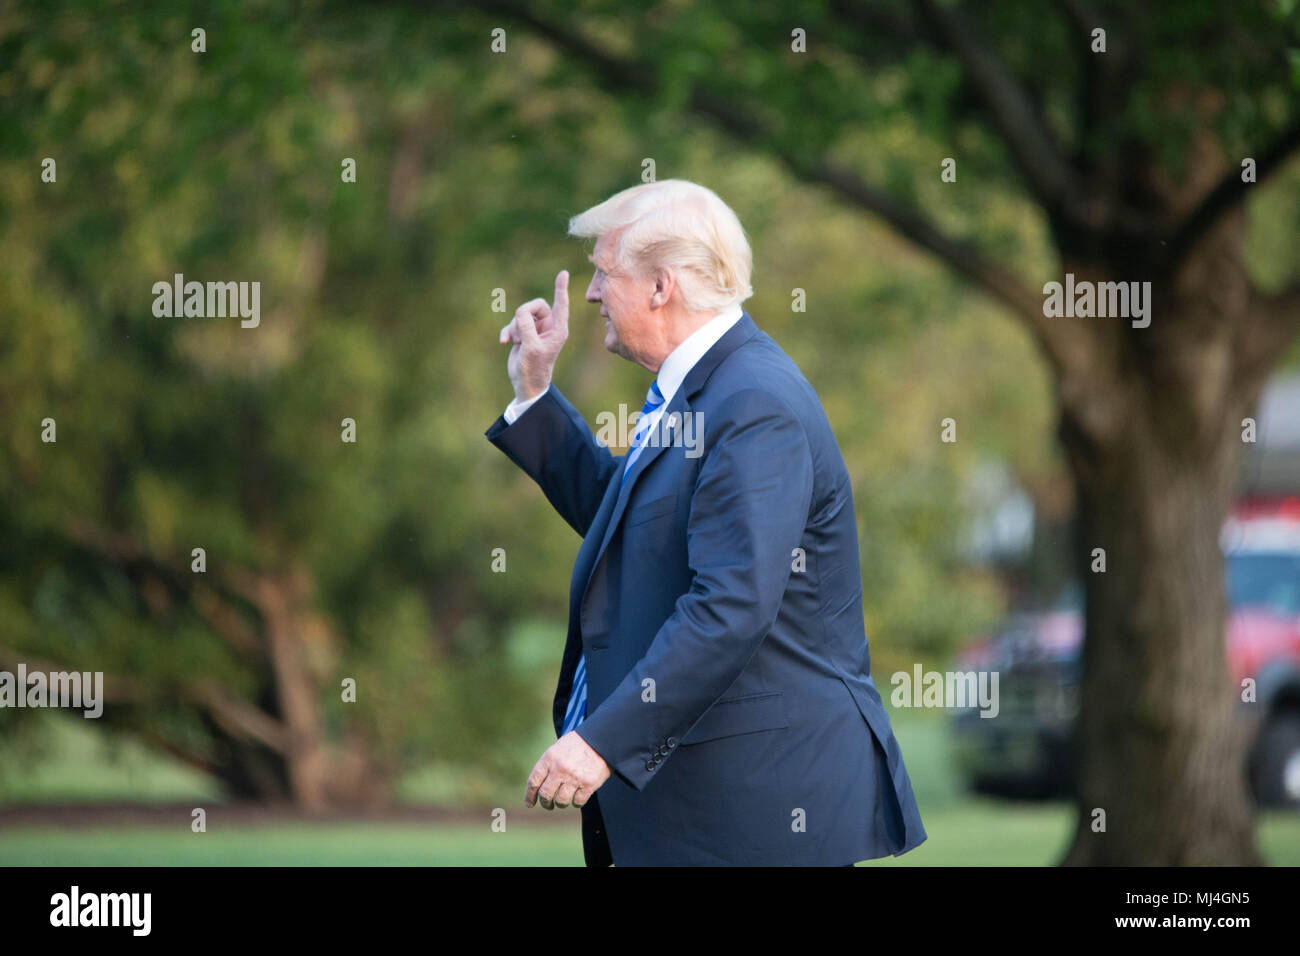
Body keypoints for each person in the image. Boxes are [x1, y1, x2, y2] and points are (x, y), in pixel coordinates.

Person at [487, 179, 926, 866]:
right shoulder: (705, 388)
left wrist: (603, 739)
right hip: (713, 810)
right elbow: (631, 523)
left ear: (661, 286)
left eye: (604, 272)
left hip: (755, 815)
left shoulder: (752, 402)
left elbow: (730, 605)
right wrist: (536, 395)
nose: (595, 293)